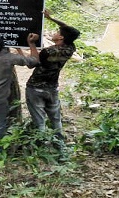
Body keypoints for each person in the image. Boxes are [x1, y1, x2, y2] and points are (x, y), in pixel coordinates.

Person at [25, 10, 80, 139]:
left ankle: (43, 144)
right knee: (56, 119)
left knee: (40, 121)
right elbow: (67, 29)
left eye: (57, 32)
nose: (55, 33)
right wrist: (51, 18)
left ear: (61, 37)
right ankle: (60, 146)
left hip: (35, 87)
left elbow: (31, 64)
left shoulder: (48, 51)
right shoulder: (70, 48)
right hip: (52, 87)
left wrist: (31, 44)